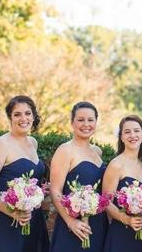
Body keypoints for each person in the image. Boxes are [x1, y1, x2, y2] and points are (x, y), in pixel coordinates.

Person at [0, 95, 49, 252]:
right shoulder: (1, 145)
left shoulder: (33, 143)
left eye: (27, 113)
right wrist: (12, 212)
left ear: (33, 116)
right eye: (17, 114)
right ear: (10, 118)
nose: (23, 118)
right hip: (5, 222)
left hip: (33, 220)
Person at [49, 101, 107, 252]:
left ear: (96, 122)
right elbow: (55, 191)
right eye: (80, 120)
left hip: (97, 223)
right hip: (73, 226)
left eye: (90, 120)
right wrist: (71, 222)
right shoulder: (65, 150)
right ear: (72, 122)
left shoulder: (97, 151)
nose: (86, 124)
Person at [103, 115, 142, 252]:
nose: (132, 135)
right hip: (123, 230)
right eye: (127, 132)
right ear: (121, 137)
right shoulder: (116, 165)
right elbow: (106, 201)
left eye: (136, 131)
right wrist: (126, 219)